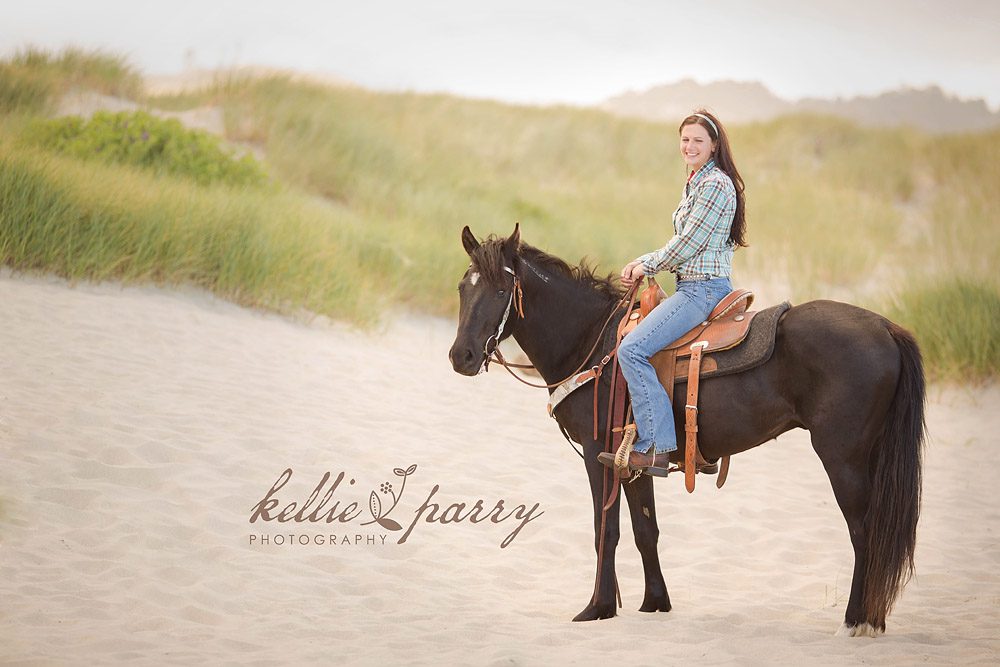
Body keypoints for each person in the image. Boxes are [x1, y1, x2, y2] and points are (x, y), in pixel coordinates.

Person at [602, 109, 747, 475]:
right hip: (691, 285)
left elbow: (689, 243)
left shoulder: (715, 184)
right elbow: (682, 241)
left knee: (632, 349)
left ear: (713, 145)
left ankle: (655, 447)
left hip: (703, 290)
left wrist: (646, 264)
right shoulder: (696, 181)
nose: (690, 146)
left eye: (698, 140)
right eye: (685, 140)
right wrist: (646, 259)